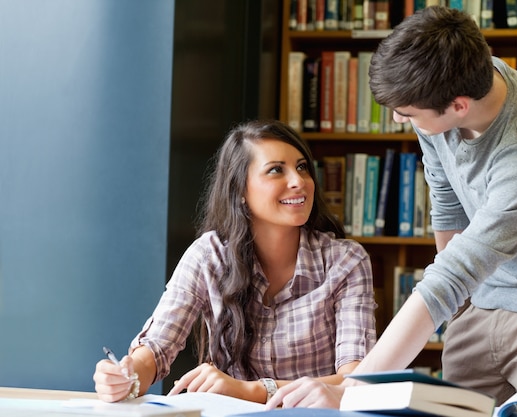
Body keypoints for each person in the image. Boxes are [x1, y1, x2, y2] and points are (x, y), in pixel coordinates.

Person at [267, 6, 517, 416]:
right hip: (485, 294)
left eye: (409, 113)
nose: (400, 119)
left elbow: (456, 271)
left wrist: (353, 389)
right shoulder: (441, 84)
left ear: (459, 106)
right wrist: (462, 304)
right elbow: (446, 198)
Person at [93, 119, 377, 403]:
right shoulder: (208, 256)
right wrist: (126, 377)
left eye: (302, 167)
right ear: (240, 190)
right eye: (276, 170)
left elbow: (355, 380)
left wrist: (252, 390)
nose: (298, 181)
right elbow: (156, 349)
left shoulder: (346, 261)